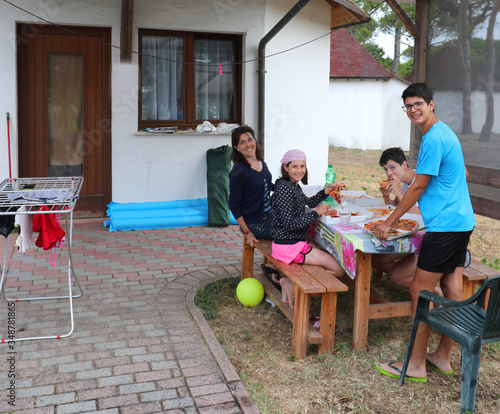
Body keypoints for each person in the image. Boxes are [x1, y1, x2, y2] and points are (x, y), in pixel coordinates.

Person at [375, 83, 475, 382]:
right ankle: (442, 357)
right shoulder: (445, 133)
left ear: (432, 104)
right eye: (408, 106)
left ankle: (416, 365)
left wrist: (389, 221)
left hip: (445, 227)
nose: (413, 110)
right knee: (453, 290)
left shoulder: (433, 138)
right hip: (461, 222)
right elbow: (454, 175)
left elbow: (418, 186)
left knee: (421, 292)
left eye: (418, 104)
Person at [271, 149, 346, 310]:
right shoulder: (284, 189)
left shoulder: (292, 185)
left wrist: (326, 191)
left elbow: (308, 203)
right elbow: (290, 224)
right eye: (295, 167)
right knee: (338, 269)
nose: (299, 170)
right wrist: (316, 213)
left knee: (328, 252)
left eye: (302, 166)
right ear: (286, 167)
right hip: (287, 246)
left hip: (291, 243)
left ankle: (296, 279)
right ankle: (295, 283)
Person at [229, 125, 273, 248]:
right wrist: (248, 232)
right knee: (291, 232)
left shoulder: (260, 161)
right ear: (236, 147)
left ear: (254, 140)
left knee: (298, 222)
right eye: (242, 142)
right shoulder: (238, 171)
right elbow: (234, 205)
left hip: (269, 215)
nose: (248, 144)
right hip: (254, 223)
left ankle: (273, 264)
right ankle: (278, 264)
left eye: (249, 139)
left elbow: (268, 185)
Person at [378, 147, 420, 215]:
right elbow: (396, 205)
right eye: (386, 169)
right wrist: (386, 198)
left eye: (392, 168)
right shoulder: (404, 184)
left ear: (404, 164)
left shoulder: (422, 181)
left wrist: (399, 193)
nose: (388, 173)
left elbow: (419, 214)